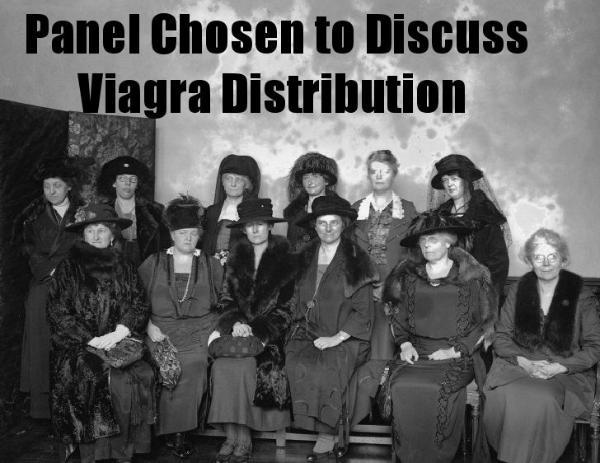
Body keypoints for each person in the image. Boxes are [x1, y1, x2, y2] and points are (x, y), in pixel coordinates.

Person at [381, 211, 496, 463]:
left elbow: (484, 324)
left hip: (457, 356)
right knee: (401, 386)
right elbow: (397, 316)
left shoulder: (471, 277)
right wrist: (405, 344)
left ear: (448, 242)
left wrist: (455, 350)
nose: (426, 245)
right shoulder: (408, 276)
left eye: (432, 239)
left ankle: (435, 457)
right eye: (423, 241)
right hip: (417, 353)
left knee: (435, 388)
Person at [47, 203, 155, 463]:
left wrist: (120, 331)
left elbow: (139, 303)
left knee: (135, 376)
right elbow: (58, 312)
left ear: (112, 234)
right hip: (78, 346)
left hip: (120, 342)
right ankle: (96, 454)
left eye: (102, 230)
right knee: (93, 374)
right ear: (83, 235)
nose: (95, 235)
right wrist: (91, 339)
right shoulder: (68, 268)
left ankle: (124, 452)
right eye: (90, 230)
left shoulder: (125, 266)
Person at [483, 228, 600, 463]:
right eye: (538, 257)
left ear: (563, 259)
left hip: (565, 371)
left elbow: (594, 346)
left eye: (552, 256)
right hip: (518, 365)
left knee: (541, 399)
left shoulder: (581, 294)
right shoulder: (518, 290)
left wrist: (559, 367)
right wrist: (524, 362)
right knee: (505, 394)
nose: (546, 263)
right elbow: (502, 337)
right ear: (530, 261)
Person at [286, 195, 377, 462]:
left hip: (347, 336)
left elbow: (363, 310)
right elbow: (293, 298)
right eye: (322, 223)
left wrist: (337, 337)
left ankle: (327, 435)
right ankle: (312, 426)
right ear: (314, 226)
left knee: (328, 364)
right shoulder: (303, 255)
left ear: (343, 225)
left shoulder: (356, 258)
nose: (328, 228)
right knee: (297, 359)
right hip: (309, 330)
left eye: (334, 223)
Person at [207, 198, 295, 463]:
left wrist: (258, 331)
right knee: (221, 366)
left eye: (260, 224)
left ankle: (243, 437)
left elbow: (287, 308)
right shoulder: (236, 258)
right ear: (244, 230)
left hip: (270, 336)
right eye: (249, 226)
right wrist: (235, 323)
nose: (255, 230)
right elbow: (226, 300)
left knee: (246, 366)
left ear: (270, 227)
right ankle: (231, 435)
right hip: (237, 332)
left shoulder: (285, 260)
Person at [138, 195, 223, 458]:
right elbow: (135, 301)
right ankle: (160, 430)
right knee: (164, 363)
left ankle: (180, 433)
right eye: (182, 233)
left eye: (193, 233)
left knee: (194, 364)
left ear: (199, 236)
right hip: (160, 329)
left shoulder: (210, 264)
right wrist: (148, 326)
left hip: (200, 330)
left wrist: (217, 331)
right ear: (172, 235)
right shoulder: (153, 262)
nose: (188, 238)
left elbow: (225, 302)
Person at [347, 150, 419, 432]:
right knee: (357, 350)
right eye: (374, 170)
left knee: (385, 347)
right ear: (368, 174)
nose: (379, 176)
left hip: (395, 294)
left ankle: (381, 412)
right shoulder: (356, 209)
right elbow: (348, 255)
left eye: (385, 171)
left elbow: (414, 258)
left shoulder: (409, 211)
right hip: (360, 292)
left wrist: (390, 287)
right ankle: (357, 415)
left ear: (394, 174)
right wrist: (365, 284)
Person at [15, 156, 87, 419]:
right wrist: (51, 270)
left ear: (69, 186)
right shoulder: (33, 215)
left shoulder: (84, 213)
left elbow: (90, 246)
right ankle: (43, 410)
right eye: (47, 186)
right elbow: (28, 249)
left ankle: (73, 407)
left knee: (73, 342)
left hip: (76, 283)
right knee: (41, 341)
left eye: (57, 185)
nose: (52, 191)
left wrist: (68, 270)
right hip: (43, 282)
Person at [428, 154, 510, 298]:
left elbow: (499, 264)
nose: (449, 184)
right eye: (445, 180)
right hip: (443, 293)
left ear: (466, 180)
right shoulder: (439, 216)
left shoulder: (485, 214)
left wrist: (482, 295)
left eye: (454, 179)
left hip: (477, 295)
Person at [96, 155, 171, 267]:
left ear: (138, 184)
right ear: (114, 183)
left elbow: (165, 248)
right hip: (113, 270)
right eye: (122, 179)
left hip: (148, 270)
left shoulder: (155, 211)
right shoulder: (101, 211)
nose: (128, 183)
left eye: (133, 179)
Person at [202, 154, 261, 264]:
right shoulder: (211, 212)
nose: (233, 184)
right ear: (222, 182)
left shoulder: (256, 213)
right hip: (211, 270)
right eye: (228, 178)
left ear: (247, 184)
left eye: (239, 179)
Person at [283, 152, 339, 250]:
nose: (310, 181)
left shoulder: (339, 212)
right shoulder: (295, 213)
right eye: (306, 177)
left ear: (326, 180)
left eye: (315, 175)